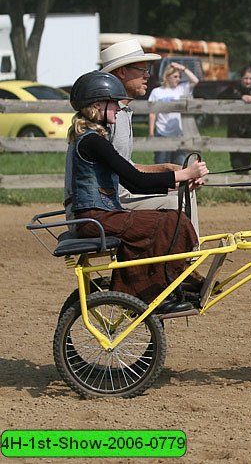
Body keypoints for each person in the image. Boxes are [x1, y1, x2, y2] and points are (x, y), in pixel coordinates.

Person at [64, 71, 209, 313]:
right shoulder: (93, 142)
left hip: (100, 215)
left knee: (168, 221)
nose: (119, 110)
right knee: (170, 223)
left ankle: (157, 285)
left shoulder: (94, 140)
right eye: (115, 103)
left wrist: (180, 183)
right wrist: (184, 175)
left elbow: (133, 183)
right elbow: (137, 181)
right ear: (98, 105)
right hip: (95, 218)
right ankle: (155, 291)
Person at [100, 39, 201, 236]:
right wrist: (176, 176)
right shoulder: (109, 116)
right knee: (178, 201)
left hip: (123, 191)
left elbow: (126, 166)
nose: (148, 75)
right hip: (111, 199)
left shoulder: (123, 112)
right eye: (142, 70)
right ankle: (185, 258)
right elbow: (128, 176)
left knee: (185, 195)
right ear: (121, 72)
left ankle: (184, 257)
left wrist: (166, 168)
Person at [148, 62, 199, 165]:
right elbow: (152, 113)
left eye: (179, 76)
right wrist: (151, 133)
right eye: (175, 76)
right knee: (161, 165)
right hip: (162, 133)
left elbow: (195, 80)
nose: (178, 79)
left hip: (179, 134)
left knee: (179, 165)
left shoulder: (181, 89)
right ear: (167, 76)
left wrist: (182, 68)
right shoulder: (156, 92)